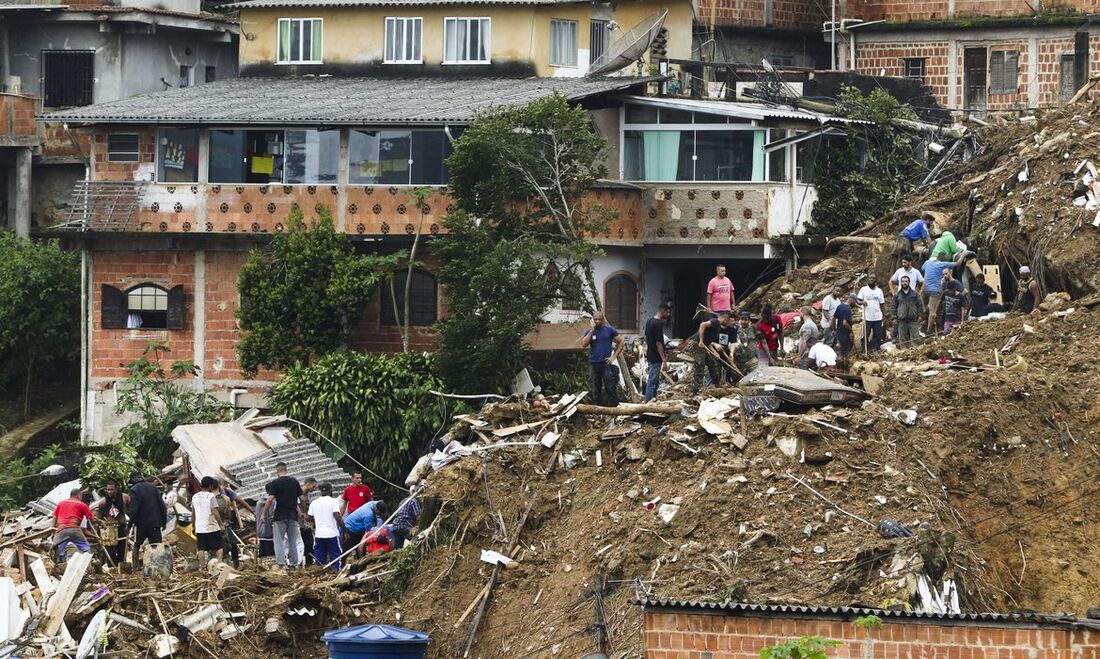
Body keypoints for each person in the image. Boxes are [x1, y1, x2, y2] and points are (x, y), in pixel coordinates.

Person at [263, 461, 303, 569]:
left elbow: (270, 499)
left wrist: (263, 513)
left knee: (279, 540)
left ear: (277, 471)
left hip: (280, 515)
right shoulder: (294, 482)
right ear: (286, 469)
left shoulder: (275, 483)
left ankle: (282, 564)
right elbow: (302, 498)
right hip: (293, 515)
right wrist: (301, 512)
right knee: (292, 541)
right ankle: (294, 564)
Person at [581, 311, 624, 407]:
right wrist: (592, 330)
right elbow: (584, 344)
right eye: (595, 319)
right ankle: (598, 411)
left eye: (599, 319)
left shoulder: (609, 330)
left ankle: (614, 409)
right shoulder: (589, 331)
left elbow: (621, 341)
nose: (597, 321)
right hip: (594, 363)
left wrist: (614, 356)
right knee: (596, 388)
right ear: (592, 320)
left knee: (610, 387)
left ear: (603, 320)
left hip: (606, 363)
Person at [688, 312, 736, 391]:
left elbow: (709, 341)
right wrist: (701, 341)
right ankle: (696, 390)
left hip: (703, 346)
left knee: (712, 364)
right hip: (697, 346)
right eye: (728, 321)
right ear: (725, 319)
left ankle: (717, 384)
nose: (727, 323)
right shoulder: (715, 321)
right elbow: (702, 325)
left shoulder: (717, 328)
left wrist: (714, 352)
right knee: (700, 367)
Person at [128, 471, 167, 569]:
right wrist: (164, 521)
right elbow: (162, 505)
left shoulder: (134, 489)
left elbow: (134, 510)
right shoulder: (153, 487)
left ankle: (135, 567)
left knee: (137, 545)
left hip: (141, 524)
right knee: (157, 546)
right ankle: (159, 568)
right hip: (155, 523)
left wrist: (129, 525)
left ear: (133, 479)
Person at [922, 252, 965, 335]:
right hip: (935, 290)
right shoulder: (941, 264)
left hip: (925, 289)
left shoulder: (927, 263)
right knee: (933, 311)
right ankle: (929, 331)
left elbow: (923, 268)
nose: (944, 275)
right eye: (944, 274)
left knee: (929, 307)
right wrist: (963, 254)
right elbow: (958, 263)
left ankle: (924, 316)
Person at [307, 483, 345, 570]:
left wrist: (317, 519)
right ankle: (336, 573)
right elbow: (337, 515)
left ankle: (319, 575)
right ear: (330, 490)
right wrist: (345, 530)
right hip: (332, 534)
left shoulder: (314, 502)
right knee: (335, 557)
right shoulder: (333, 501)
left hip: (319, 534)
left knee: (319, 558)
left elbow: (309, 517)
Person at [52, 488, 96, 561]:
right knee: (85, 547)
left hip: (60, 529)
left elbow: (54, 517)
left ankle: (60, 565)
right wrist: (100, 522)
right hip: (74, 528)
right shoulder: (82, 504)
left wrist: (53, 530)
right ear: (78, 495)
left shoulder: (61, 503)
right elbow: (91, 519)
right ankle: (88, 563)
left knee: (59, 550)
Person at [95, 480, 129, 565]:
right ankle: (112, 566)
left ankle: (121, 566)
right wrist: (103, 523)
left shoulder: (125, 497)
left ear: (116, 489)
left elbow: (131, 509)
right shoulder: (103, 502)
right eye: (108, 490)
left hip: (122, 527)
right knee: (110, 550)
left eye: (112, 489)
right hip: (110, 529)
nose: (109, 491)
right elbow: (99, 516)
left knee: (122, 549)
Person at [644, 302, 672, 401]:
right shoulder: (658, 323)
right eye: (668, 312)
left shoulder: (649, 321)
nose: (668, 315)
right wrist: (664, 359)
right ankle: (648, 402)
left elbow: (647, 338)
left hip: (650, 354)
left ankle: (653, 399)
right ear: (663, 311)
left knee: (655, 380)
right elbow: (659, 343)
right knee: (652, 380)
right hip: (656, 357)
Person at [192, 476, 223, 563]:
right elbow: (214, 511)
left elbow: (193, 513)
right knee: (219, 547)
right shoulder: (211, 496)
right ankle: (219, 565)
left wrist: (193, 526)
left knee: (201, 548)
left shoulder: (195, 497)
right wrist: (220, 523)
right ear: (210, 486)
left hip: (200, 528)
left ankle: (202, 568)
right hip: (211, 526)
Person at [214, 478, 241, 568]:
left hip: (213, 525)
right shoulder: (226, 498)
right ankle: (235, 562)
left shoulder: (209, 498)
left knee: (219, 546)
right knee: (232, 543)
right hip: (224, 524)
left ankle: (220, 564)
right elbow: (229, 514)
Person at [855, 276, 886, 354]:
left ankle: (875, 349)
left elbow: (882, 303)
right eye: (869, 279)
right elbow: (858, 300)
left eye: (873, 279)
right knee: (865, 335)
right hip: (867, 317)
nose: (871, 280)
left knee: (877, 335)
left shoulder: (879, 291)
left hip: (877, 316)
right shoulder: (863, 289)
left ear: (876, 280)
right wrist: (862, 302)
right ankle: (864, 351)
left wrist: (883, 314)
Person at [892, 275, 924, 348]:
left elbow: (920, 305)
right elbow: (893, 307)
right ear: (901, 283)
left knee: (915, 339)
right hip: (902, 320)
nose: (904, 283)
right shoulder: (897, 295)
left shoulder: (915, 294)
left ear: (909, 282)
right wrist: (894, 318)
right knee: (903, 340)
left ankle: (915, 354)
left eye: (906, 281)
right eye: (903, 281)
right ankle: (904, 353)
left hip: (913, 320)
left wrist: (920, 315)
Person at [255, 483, 275, 558]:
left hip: (260, 531)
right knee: (271, 555)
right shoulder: (272, 502)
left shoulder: (258, 502)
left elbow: (257, 516)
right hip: (270, 531)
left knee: (262, 553)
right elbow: (272, 516)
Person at [832, 296, 854, 360]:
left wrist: (833, 329)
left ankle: (837, 365)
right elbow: (845, 323)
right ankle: (843, 367)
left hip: (838, 332)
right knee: (844, 354)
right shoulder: (847, 309)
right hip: (844, 334)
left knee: (838, 350)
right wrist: (851, 331)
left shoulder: (840, 306)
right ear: (851, 300)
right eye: (855, 301)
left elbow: (833, 319)